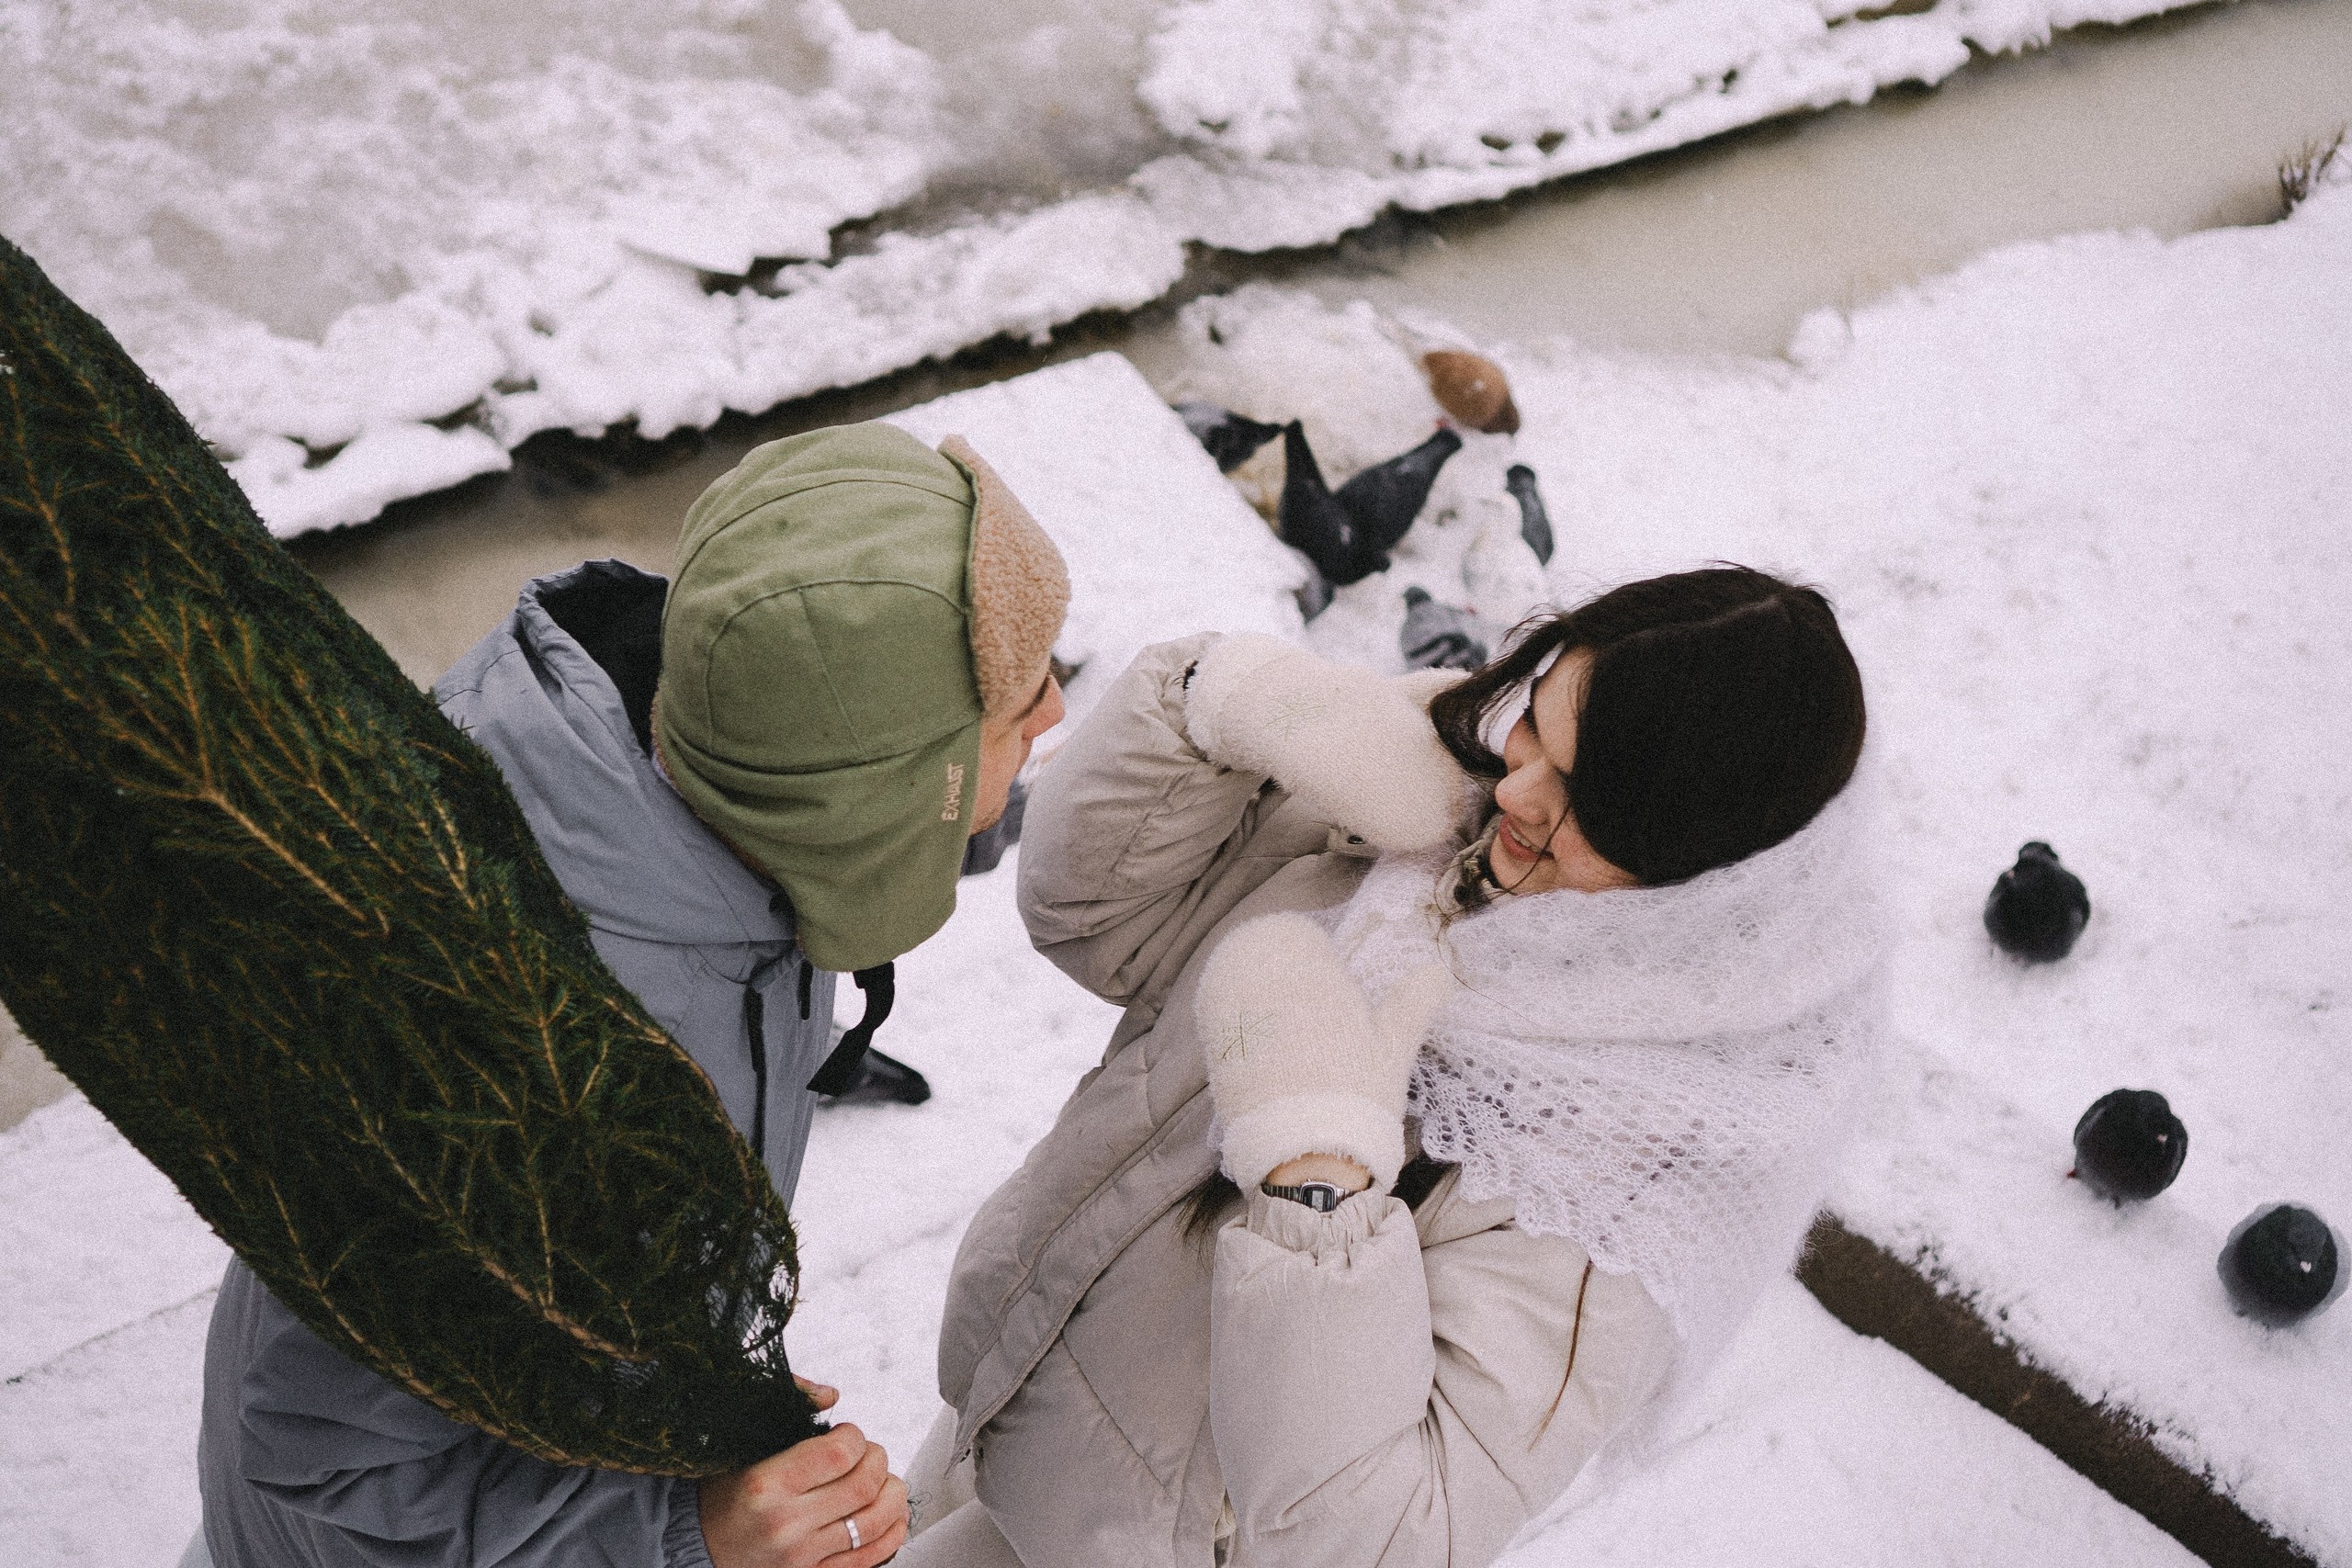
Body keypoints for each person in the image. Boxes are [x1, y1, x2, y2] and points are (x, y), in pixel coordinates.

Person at [194, 423, 1070, 1568]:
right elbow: (327, 1455)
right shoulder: (516, 1061)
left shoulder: (702, 765)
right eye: (1018, 707)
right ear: (879, 794)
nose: (1056, 712)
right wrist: (681, 1533)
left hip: (547, 1439)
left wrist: (660, 1378)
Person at [901, 566, 1883, 1567]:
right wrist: (1223, 705)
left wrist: (1316, 1185)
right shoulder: (1427, 816)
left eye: (1591, 799)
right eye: (1536, 725)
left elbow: (1375, 1541)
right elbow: (1096, 924)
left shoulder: (1625, 1168)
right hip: (1009, 1394)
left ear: (1699, 869)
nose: (1517, 786)